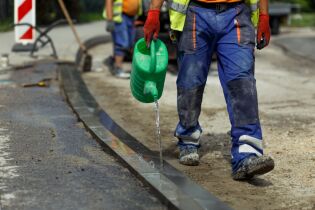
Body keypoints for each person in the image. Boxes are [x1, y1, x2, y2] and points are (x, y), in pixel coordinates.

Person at [144, 0, 275, 180]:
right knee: (191, 81)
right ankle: (188, 137)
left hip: (237, 14)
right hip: (195, 13)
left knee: (242, 82)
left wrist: (264, 16)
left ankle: (247, 152)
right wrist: (153, 12)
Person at [104, 0, 142, 79]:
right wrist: (110, 19)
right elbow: (109, 1)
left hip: (131, 17)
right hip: (120, 17)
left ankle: (113, 62)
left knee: (130, 44)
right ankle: (118, 68)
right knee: (122, 43)